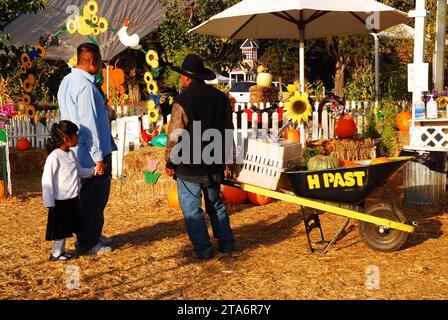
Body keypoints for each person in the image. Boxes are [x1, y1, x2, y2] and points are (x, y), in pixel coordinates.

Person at [165, 54, 235, 260]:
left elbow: (175, 134)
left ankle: (204, 250)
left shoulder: (183, 100)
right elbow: (228, 130)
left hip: (189, 165)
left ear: (187, 78)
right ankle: (227, 244)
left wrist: (170, 160)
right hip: (214, 161)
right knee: (216, 205)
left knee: (192, 209)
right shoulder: (221, 98)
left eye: (182, 77)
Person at [57, 43, 113, 255]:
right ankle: (88, 243)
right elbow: (88, 125)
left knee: (88, 198)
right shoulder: (86, 87)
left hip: (76, 150)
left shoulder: (66, 81)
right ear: (93, 61)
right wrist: (98, 156)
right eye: (99, 62)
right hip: (90, 153)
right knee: (93, 198)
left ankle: (91, 234)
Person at [42, 121, 96, 261]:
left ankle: (60, 252)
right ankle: (56, 253)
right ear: (66, 139)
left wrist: (94, 171)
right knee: (61, 230)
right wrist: (49, 201)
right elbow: (47, 180)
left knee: (67, 228)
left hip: (72, 199)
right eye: (75, 135)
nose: (78, 137)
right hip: (60, 202)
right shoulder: (54, 157)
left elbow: (80, 171)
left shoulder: (71, 154)